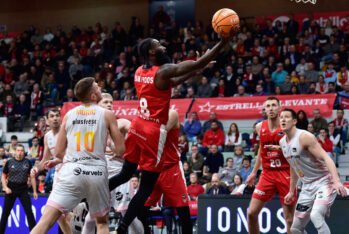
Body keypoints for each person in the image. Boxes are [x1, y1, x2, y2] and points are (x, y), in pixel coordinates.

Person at [108, 34, 232, 233]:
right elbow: (197, 62)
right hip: (151, 131)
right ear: (151, 51)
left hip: (137, 126)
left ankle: (97, 193)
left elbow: (172, 82)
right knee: (146, 188)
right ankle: (122, 227)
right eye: (158, 45)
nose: (163, 47)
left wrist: (197, 68)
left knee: (125, 173)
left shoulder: (140, 71)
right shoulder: (163, 71)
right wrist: (222, 43)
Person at [31, 77, 125, 234]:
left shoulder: (69, 115)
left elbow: (59, 152)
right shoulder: (107, 115)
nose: (100, 88)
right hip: (97, 172)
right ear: (93, 95)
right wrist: (110, 147)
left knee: (46, 221)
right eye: (97, 87)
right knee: (102, 223)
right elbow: (121, 150)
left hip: (71, 171)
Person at [82, 93, 142, 234]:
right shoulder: (89, 127)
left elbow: (140, 136)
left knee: (128, 215)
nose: (109, 104)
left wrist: (125, 151)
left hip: (119, 175)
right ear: (97, 104)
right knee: (91, 218)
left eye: (111, 102)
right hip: (100, 177)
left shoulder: (122, 123)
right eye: (105, 102)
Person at [278, 108, 347, 234]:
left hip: (324, 182)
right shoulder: (282, 142)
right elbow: (294, 166)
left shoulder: (305, 137)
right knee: (295, 229)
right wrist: (291, 191)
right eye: (281, 117)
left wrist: (336, 181)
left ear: (294, 121)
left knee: (315, 215)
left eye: (286, 117)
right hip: (307, 187)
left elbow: (327, 158)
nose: (283, 119)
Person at [246, 97, 296, 234]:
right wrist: (253, 172)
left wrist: (281, 149)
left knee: (290, 219)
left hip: (285, 172)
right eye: (268, 106)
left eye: (274, 105)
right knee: (251, 213)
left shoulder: (287, 127)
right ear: (264, 109)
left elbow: (296, 153)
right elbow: (261, 151)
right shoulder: (259, 127)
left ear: (279, 108)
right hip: (267, 173)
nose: (271, 108)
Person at [144, 110, 192, 234]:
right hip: (153, 169)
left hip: (172, 169)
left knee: (183, 211)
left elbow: (158, 132)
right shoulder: (145, 114)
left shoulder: (171, 113)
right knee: (141, 208)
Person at [30, 108, 73, 234]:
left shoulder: (67, 131)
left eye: (57, 115)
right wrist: (36, 168)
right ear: (47, 120)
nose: (55, 118)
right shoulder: (47, 136)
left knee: (70, 214)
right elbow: (46, 159)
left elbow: (74, 154)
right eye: (52, 116)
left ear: (61, 117)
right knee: (60, 216)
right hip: (59, 176)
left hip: (72, 173)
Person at [0, 144, 37, 233]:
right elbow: (3, 176)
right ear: (15, 151)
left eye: (21, 150)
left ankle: (35, 232)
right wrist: (5, 187)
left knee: (29, 212)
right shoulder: (10, 162)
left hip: (23, 188)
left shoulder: (27, 162)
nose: (20, 152)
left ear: (24, 152)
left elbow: (32, 177)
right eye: (18, 150)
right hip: (11, 188)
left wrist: (35, 191)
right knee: (5, 213)